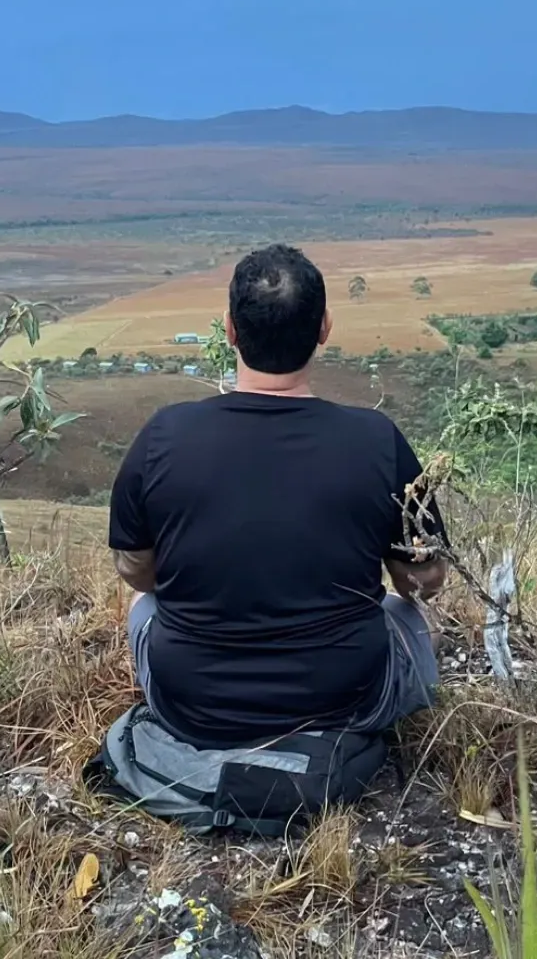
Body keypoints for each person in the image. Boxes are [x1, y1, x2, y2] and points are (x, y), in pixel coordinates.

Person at [108, 244, 448, 750]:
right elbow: (423, 580)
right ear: (324, 328)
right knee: (405, 617)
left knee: (145, 605)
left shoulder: (164, 436)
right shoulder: (378, 440)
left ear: (229, 329)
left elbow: (136, 570)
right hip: (348, 703)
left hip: (191, 709)